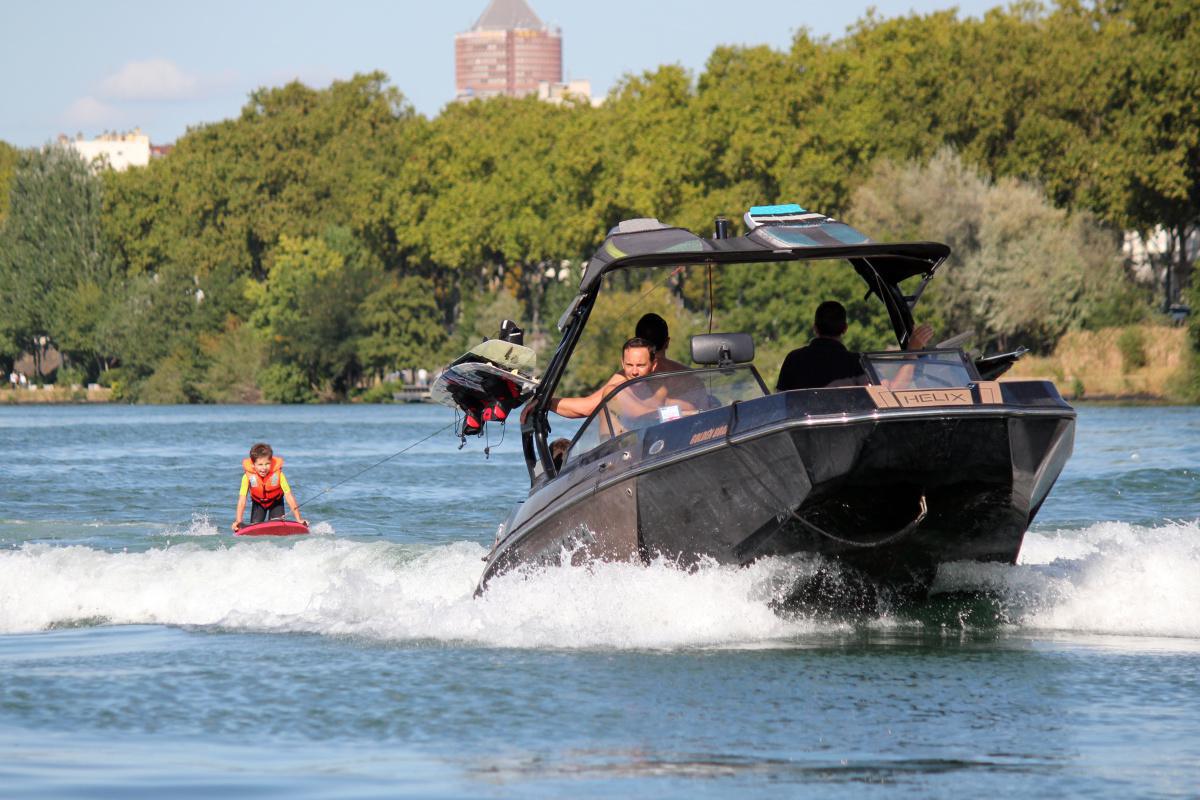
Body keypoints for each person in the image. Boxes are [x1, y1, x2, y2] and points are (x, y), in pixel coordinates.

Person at [776, 301, 933, 391]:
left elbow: (780, 401)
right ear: (845, 328)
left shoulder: (793, 359)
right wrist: (912, 352)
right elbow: (891, 392)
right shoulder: (857, 363)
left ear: (815, 328)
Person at [231, 442, 306, 532]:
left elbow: (289, 496)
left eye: (267, 464)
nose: (264, 468)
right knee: (255, 529)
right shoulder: (247, 477)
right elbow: (242, 499)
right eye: (260, 464)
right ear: (253, 465)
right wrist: (238, 521)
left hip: (276, 503)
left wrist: (298, 519)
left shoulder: (279, 475)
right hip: (258, 504)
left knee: (277, 527)